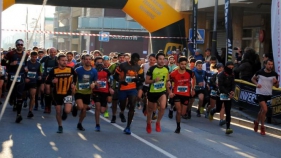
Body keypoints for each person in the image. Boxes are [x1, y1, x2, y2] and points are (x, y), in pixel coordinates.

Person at [45, 53, 77, 133]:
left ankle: (67, 110)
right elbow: (47, 80)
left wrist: (74, 84)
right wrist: (52, 81)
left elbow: (75, 77)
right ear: (58, 61)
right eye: (63, 60)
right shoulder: (54, 70)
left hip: (67, 92)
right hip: (57, 93)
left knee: (67, 110)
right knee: (58, 111)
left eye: (66, 60)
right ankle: (60, 126)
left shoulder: (70, 69)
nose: (65, 62)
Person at [113, 53, 144, 134]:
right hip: (122, 88)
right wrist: (121, 81)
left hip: (132, 89)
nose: (135, 62)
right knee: (122, 104)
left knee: (132, 106)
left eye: (137, 61)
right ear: (131, 59)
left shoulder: (138, 67)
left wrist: (136, 80)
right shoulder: (123, 65)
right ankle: (122, 112)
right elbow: (115, 76)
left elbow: (142, 78)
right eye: (134, 60)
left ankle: (128, 126)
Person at [252, 59, 279, 135]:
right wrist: (257, 84)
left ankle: (257, 122)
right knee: (265, 109)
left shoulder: (274, 74)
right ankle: (262, 127)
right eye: (269, 64)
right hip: (260, 93)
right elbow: (253, 79)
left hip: (268, 94)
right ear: (265, 65)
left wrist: (276, 82)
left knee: (262, 110)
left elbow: (277, 86)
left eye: (271, 64)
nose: (270, 66)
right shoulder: (260, 72)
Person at [169, 56, 195, 133]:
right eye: (182, 64)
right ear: (178, 64)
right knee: (179, 111)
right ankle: (178, 126)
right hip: (176, 94)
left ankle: (173, 109)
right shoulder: (174, 73)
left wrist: (193, 89)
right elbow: (168, 82)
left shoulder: (189, 72)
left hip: (186, 94)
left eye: (185, 64)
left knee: (183, 113)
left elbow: (194, 79)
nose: (183, 65)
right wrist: (170, 91)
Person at [145, 52, 169, 133]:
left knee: (162, 107)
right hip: (152, 91)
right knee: (150, 110)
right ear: (157, 60)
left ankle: (158, 122)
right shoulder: (152, 69)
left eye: (163, 59)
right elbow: (146, 81)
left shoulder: (166, 68)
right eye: (160, 59)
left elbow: (167, 79)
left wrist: (169, 89)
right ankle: (148, 123)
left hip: (162, 91)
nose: (162, 61)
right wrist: (154, 80)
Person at [5, 39, 29, 123]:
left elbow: (26, 63)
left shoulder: (25, 54)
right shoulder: (10, 53)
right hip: (12, 74)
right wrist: (10, 63)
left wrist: (26, 68)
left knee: (20, 93)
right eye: (18, 44)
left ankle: (19, 114)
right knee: (12, 91)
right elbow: (3, 62)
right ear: (16, 45)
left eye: (21, 45)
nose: (20, 46)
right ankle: (12, 99)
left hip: (21, 75)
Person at [72, 54, 97, 131]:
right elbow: (72, 79)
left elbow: (95, 81)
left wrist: (93, 84)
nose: (88, 61)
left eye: (89, 59)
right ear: (83, 60)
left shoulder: (94, 71)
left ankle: (79, 123)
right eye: (86, 59)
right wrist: (73, 85)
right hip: (78, 91)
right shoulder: (78, 70)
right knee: (81, 107)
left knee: (84, 110)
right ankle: (76, 107)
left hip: (87, 92)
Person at [92, 57, 114, 131]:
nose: (99, 64)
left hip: (105, 91)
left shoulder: (106, 71)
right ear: (95, 63)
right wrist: (93, 84)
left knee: (102, 110)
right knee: (97, 107)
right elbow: (89, 80)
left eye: (101, 62)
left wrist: (110, 88)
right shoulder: (92, 71)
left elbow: (111, 79)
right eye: (98, 62)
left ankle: (105, 108)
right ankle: (97, 124)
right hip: (96, 91)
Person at [213, 61, 235, 134]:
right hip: (221, 93)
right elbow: (221, 86)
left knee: (228, 111)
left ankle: (228, 127)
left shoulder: (232, 74)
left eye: (232, 67)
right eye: (229, 67)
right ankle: (212, 111)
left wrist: (232, 91)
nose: (231, 69)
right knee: (218, 108)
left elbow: (233, 84)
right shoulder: (221, 75)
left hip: (228, 95)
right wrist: (227, 93)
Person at [108, 53, 125, 123]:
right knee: (114, 101)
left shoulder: (127, 66)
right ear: (118, 58)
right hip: (115, 86)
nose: (121, 59)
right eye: (120, 57)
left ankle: (122, 113)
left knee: (124, 101)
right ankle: (114, 116)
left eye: (123, 57)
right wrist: (110, 86)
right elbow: (108, 74)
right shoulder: (113, 65)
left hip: (124, 86)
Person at [40, 47, 58, 112]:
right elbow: (40, 65)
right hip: (46, 76)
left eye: (54, 52)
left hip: (55, 77)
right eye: (51, 52)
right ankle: (46, 106)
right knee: (46, 91)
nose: (52, 53)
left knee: (52, 92)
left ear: (56, 53)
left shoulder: (58, 59)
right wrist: (41, 73)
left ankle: (50, 105)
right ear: (49, 52)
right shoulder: (45, 58)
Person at [24, 51, 41, 118]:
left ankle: (30, 111)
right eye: (33, 57)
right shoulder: (27, 63)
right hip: (26, 81)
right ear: (30, 56)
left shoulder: (39, 64)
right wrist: (25, 78)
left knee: (32, 96)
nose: (34, 58)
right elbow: (23, 71)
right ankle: (24, 99)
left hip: (33, 81)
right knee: (23, 94)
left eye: (35, 57)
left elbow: (40, 72)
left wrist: (39, 76)